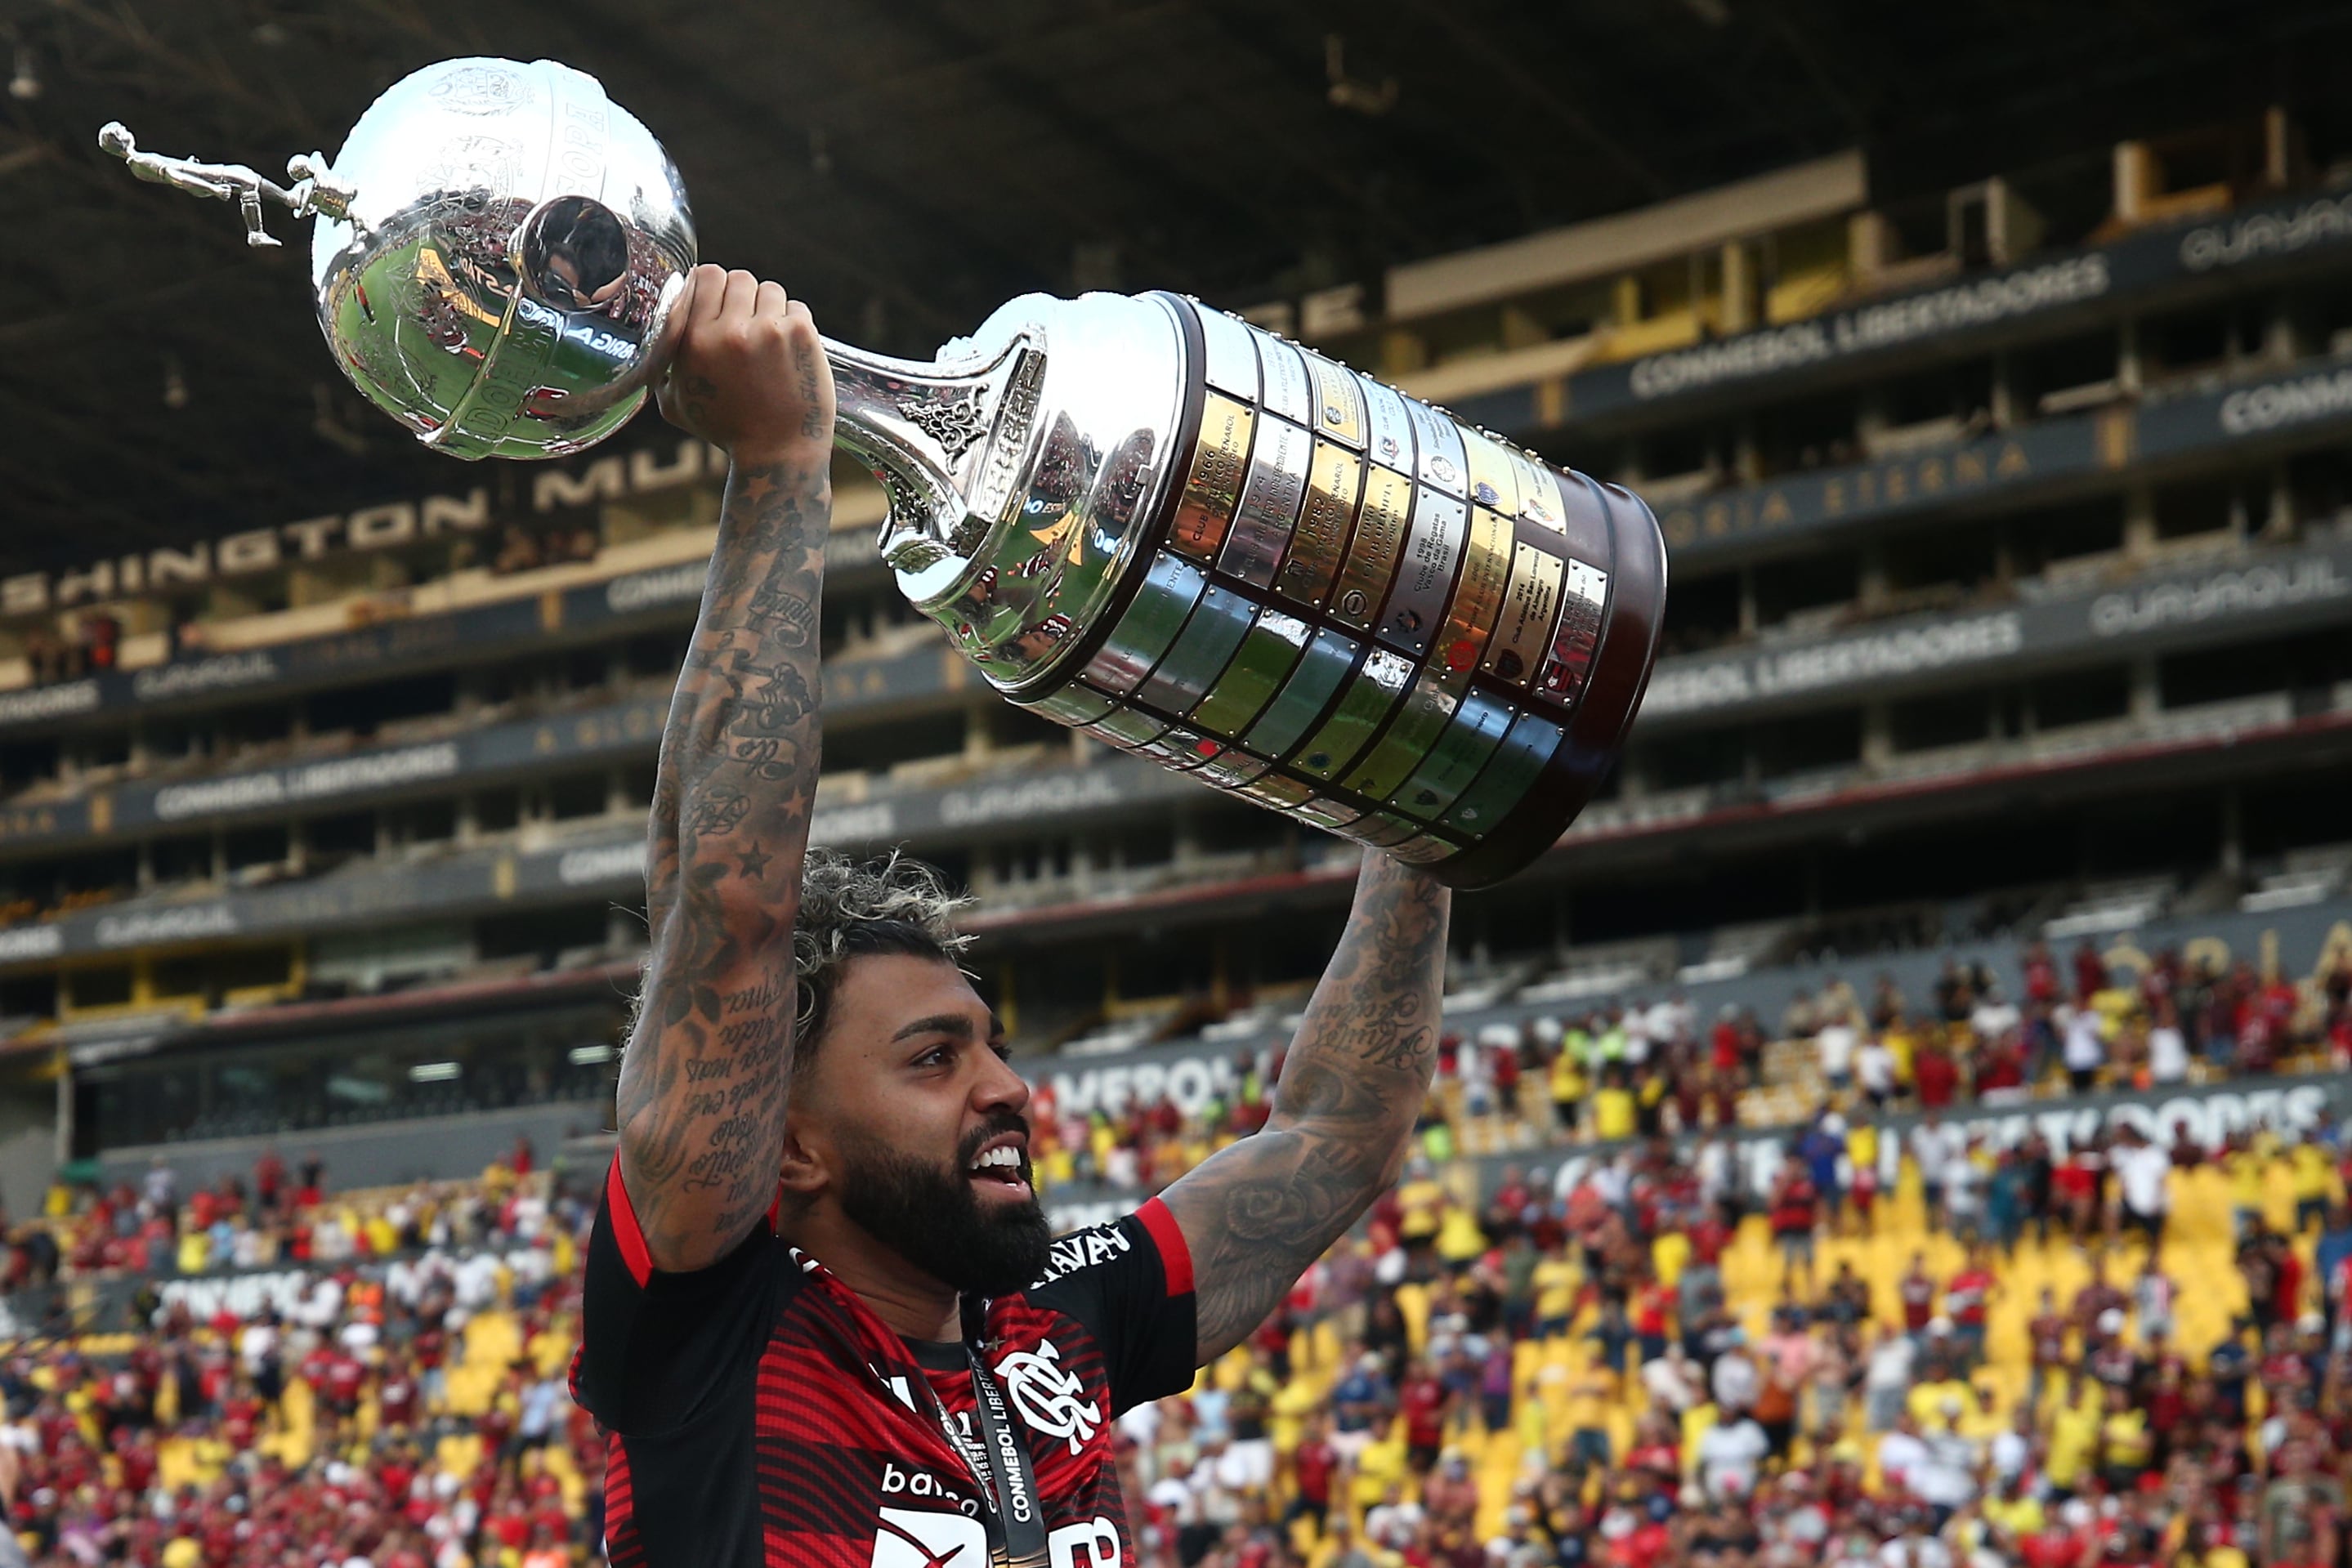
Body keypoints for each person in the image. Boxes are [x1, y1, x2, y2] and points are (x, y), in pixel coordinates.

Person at [575, 266, 1458, 1567]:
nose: (1006, 1087)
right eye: (933, 1058)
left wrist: (1416, 830)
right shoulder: (714, 1328)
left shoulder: (1064, 1325)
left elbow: (1337, 1131)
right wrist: (778, 465)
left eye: (987, 1044)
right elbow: (725, 907)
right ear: (791, 1144)